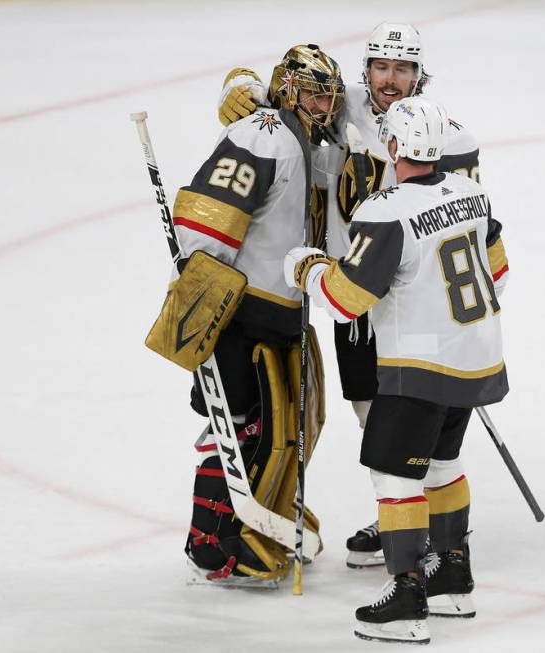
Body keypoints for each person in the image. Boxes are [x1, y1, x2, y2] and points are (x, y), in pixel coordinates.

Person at [217, 22, 489, 569]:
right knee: (373, 411)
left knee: (421, 416)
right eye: (382, 67)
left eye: (404, 69)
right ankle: (399, 514)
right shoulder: (342, 103)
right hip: (356, 291)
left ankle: (430, 531)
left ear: (419, 74)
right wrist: (238, 87)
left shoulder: (447, 136)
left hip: (414, 301)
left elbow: (471, 221)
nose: (391, 80)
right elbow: (274, 87)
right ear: (366, 69)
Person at [283, 97, 510, 643]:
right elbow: (497, 273)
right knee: (442, 466)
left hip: (419, 365)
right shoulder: (473, 194)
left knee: (395, 477)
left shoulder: (384, 209)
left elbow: (346, 301)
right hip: (475, 359)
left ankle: (407, 595)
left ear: (393, 147)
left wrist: (306, 266)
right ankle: (453, 579)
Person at [169, 44, 345, 587]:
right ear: (290, 88)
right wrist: (201, 296)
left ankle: (267, 519)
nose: (325, 106)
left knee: (290, 425)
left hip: (284, 311)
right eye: (315, 94)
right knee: (239, 427)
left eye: (330, 96)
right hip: (241, 311)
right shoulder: (263, 134)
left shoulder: (308, 138)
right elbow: (206, 217)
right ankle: (213, 541)